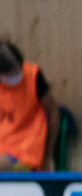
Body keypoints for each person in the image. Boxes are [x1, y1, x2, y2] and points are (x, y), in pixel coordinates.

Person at [0, 37, 59, 172]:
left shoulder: (34, 76)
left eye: (18, 69)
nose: (18, 75)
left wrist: (48, 157)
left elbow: (53, 113)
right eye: (11, 74)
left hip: (24, 152)